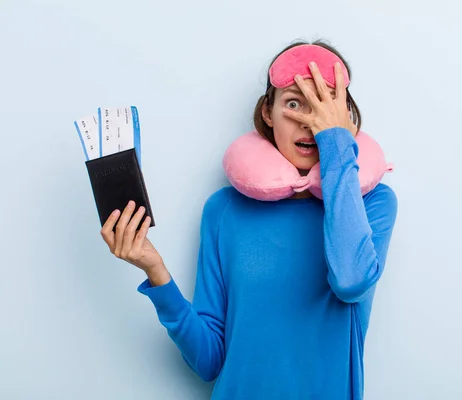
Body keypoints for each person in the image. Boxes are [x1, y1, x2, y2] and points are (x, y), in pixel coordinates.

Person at [100, 39, 398, 400]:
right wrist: (155, 270)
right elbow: (209, 360)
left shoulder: (373, 202)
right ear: (268, 113)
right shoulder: (224, 209)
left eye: (324, 105)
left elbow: (350, 281)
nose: (309, 122)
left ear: (343, 119)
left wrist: (336, 144)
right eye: (293, 103)